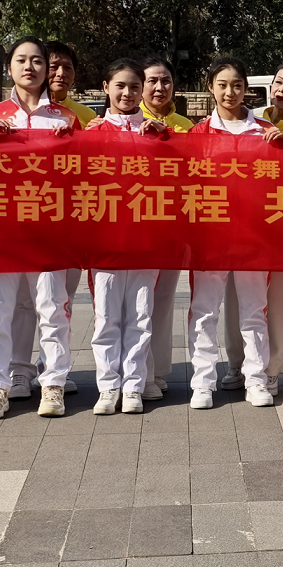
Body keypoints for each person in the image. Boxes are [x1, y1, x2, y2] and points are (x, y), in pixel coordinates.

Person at [0, 38, 78, 418]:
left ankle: (53, 383)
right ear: (9, 67)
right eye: (21, 60)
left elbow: (80, 172)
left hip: (49, 227)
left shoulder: (65, 119)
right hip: (1, 226)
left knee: (52, 306)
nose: (30, 67)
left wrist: (69, 146)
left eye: (37, 61)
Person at [187, 59, 283, 409]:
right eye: (223, 85)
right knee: (204, 310)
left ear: (247, 89)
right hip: (211, 234)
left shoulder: (264, 130)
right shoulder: (198, 134)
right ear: (211, 87)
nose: (230, 92)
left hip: (254, 236)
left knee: (254, 310)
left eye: (237, 85)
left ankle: (255, 379)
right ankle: (202, 382)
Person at [84, 60, 167, 414]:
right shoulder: (92, 133)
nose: (128, 93)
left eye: (135, 87)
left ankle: (133, 386)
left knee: (141, 315)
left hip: (146, 238)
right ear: (106, 87)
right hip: (105, 240)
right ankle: (108, 387)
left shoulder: (158, 134)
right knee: (106, 316)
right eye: (120, 86)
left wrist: (163, 140)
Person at [139, 55, 193, 396]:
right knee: (137, 302)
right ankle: (135, 372)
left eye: (166, 81)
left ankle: (156, 370)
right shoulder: (129, 123)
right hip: (136, 224)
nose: (160, 87)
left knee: (163, 299)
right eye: (152, 81)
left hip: (173, 225)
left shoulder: (187, 126)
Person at [48, 41, 96, 126]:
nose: (61, 73)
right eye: (53, 67)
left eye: (67, 68)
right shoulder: (26, 112)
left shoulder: (89, 116)